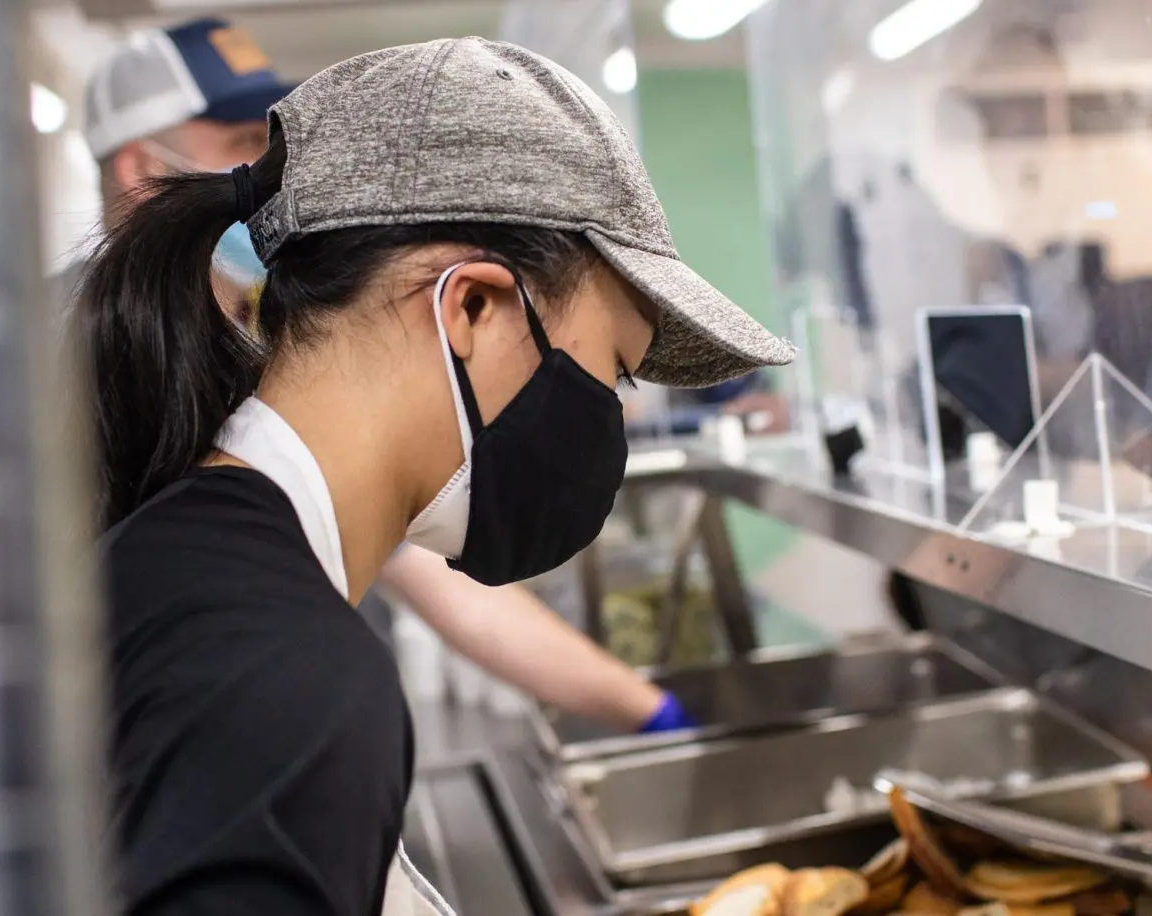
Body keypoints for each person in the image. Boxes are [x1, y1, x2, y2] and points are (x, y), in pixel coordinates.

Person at [82, 37, 792, 913]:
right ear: (474, 306)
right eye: (611, 372)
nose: (603, 415)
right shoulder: (289, 681)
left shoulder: (187, 558)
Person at [0, 18, 689, 736]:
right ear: (137, 166)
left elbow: (433, 576)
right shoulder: (27, 357)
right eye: (238, 143)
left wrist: (643, 707)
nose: (266, 170)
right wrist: (166, 723)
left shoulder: (262, 329)